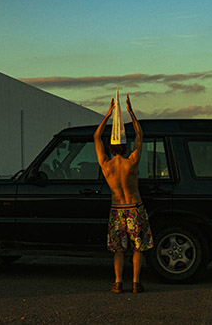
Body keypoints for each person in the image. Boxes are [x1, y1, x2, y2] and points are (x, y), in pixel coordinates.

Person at [94, 94, 153, 294]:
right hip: (134, 208)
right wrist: (131, 112)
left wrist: (108, 114)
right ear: (125, 146)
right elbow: (140, 135)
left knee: (119, 249)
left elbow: (95, 137)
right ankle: (136, 283)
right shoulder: (132, 162)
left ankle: (118, 282)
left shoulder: (106, 165)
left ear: (110, 147)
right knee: (138, 248)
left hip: (117, 210)